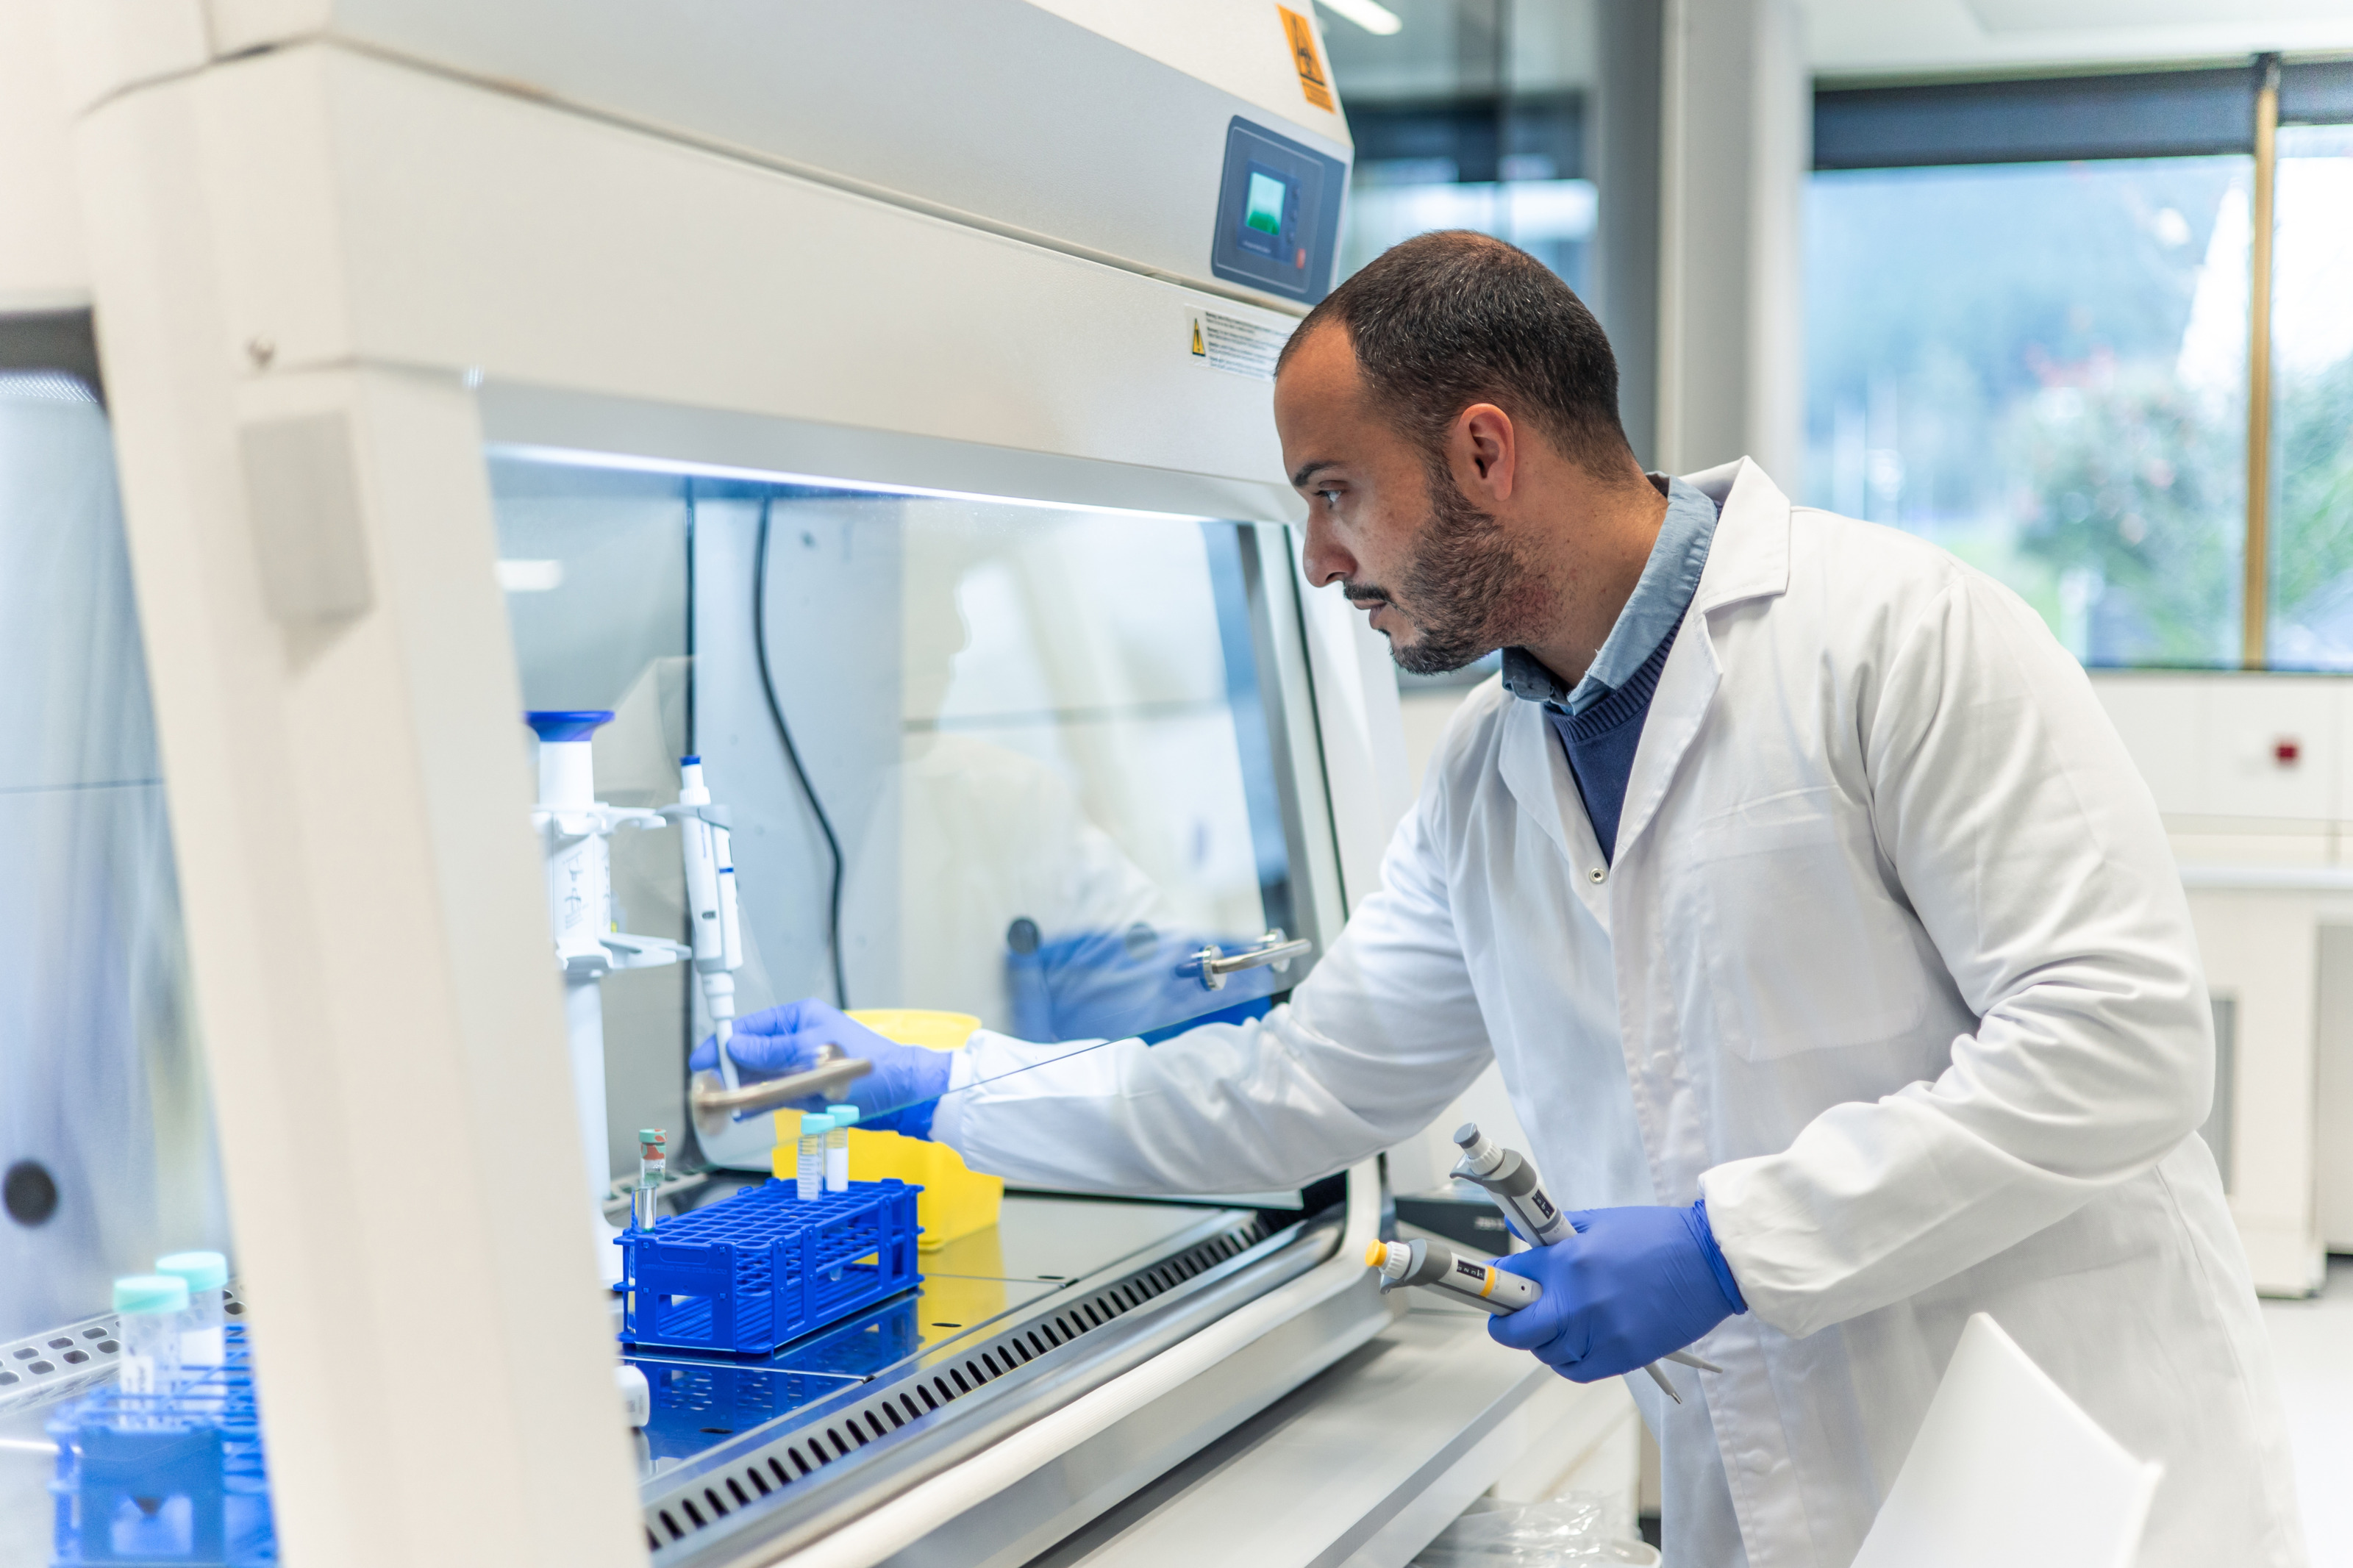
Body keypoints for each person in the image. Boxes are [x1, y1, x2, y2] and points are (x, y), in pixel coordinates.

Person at [693, 232, 2304, 1567]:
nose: (1318, 559)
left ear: (1483, 450)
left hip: (2081, 1484)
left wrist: (1725, 1247)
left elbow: (2121, 1043)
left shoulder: (1901, 639)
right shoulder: (1487, 775)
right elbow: (1295, 1088)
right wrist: (947, 1087)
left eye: (1335, 490)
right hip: (1785, 1498)